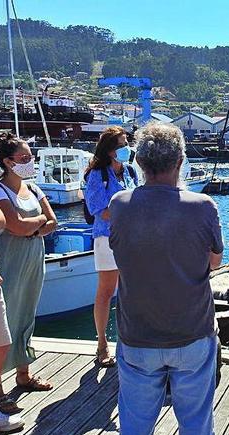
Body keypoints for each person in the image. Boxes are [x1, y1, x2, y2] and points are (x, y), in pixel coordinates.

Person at [109, 122, 223, 435]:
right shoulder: (203, 206)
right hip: (193, 336)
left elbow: (121, 252)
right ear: (180, 160)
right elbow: (215, 262)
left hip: (137, 338)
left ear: (139, 161)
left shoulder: (120, 205)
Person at [0, 133, 57, 392]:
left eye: (31, 157)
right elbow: (15, 226)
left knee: (27, 314)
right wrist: (38, 222)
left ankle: (23, 373)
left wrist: (34, 226)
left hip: (33, 261)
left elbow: (53, 222)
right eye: (24, 158)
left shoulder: (34, 188)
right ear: (7, 161)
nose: (30, 161)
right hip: (9, 262)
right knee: (5, 320)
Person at [84, 126, 138, 367]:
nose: (126, 147)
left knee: (130, 292)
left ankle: (127, 341)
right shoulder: (97, 175)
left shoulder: (129, 171)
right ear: (110, 149)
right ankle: (102, 343)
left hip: (132, 239)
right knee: (106, 292)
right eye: (122, 143)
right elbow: (100, 211)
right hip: (107, 239)